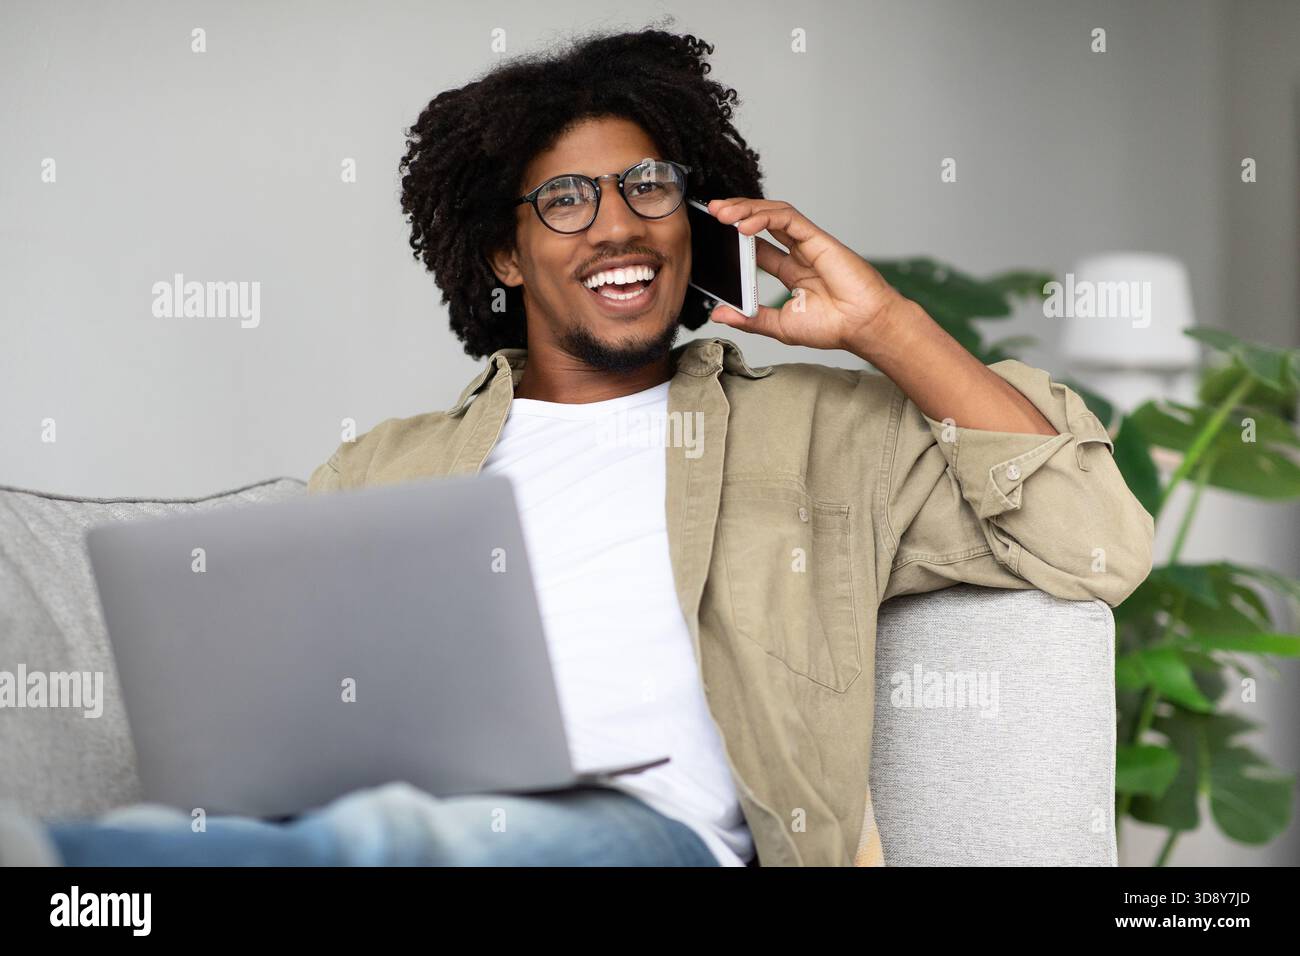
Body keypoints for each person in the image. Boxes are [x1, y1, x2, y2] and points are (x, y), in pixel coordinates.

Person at [7, 25, 1153, 868]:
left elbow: (1095, 546)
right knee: (228, 837)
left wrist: (880, 324)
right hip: (392, 814)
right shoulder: (382, 468)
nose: (616, 223)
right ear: (503, 256)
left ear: (692, 215)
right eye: (562, 198)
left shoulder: (824, 431)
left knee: (394, 841)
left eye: (646, 185)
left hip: (642, 835)